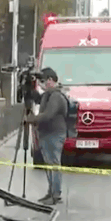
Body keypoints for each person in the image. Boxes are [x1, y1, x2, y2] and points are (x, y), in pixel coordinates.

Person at [25, 67, 68, 205]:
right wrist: (28, 88)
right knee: (49, 164)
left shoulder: (56, 96)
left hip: (54, 134)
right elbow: (37, 98)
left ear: (51, 80)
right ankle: (51, 192)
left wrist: (32, 119)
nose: (42, 84)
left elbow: (49, 114)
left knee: (53, 164)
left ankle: (55, 194)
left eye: (43, 81)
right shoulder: (47, 95)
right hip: (47, 134)